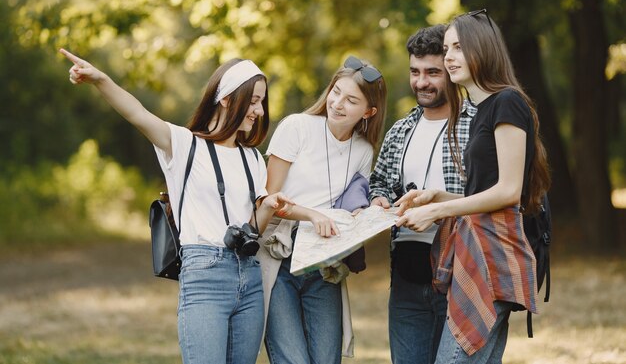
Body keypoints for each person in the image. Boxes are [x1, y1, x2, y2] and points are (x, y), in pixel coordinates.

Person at [60, 49, 294, 364]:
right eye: (253, 101)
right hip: (205, 276)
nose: (259, 111)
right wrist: (100, 80)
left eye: (261, 103)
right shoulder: (184, 145)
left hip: (249, 278)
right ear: (226, 98)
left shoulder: (251, 157)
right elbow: (137, 113)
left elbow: (253, 229)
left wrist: (268, 208)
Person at [395, 9, 551, 363]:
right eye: (447, 49)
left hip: (496, 256)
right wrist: (437, 196)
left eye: (457, 48)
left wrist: (438, 210)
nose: (449, 57)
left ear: (482, 48)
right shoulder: (482, 109)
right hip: (478, 252)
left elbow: (509, 192)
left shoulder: (507, 102)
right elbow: (486, 194)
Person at [257, 56, 388, 364]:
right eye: (336, 92)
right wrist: (312, 214)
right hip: (280, 257)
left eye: (351, 100)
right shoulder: (297, 127)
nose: (338, 103)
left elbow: (351, 203)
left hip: (323, 264)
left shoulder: (363, 150)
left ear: (368, 112)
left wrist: (371, 209)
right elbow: (268, 199)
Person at [369, 25, 476, 364]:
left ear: (452, 70)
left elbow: (491, 196)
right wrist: (379, 200)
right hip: (406, 276)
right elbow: (380, 182)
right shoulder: (400, 130)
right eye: (415, 72)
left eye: (433, 72)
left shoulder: (479, 126)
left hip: (463, 271)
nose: (421, 82)